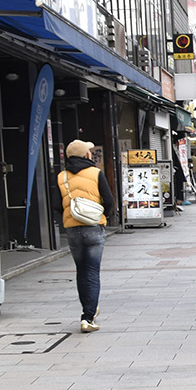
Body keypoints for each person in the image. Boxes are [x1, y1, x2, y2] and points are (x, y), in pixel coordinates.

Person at [55, 139, 114, 333]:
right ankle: (88, 317)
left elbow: (56, 205)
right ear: (86, 155)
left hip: (72, 229)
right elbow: (109, 199)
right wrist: (103, 215)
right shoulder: (95, 173)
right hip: (93, 227)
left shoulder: (61, 176)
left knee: (81, 271)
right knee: (92, 272)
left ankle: (87, 311)